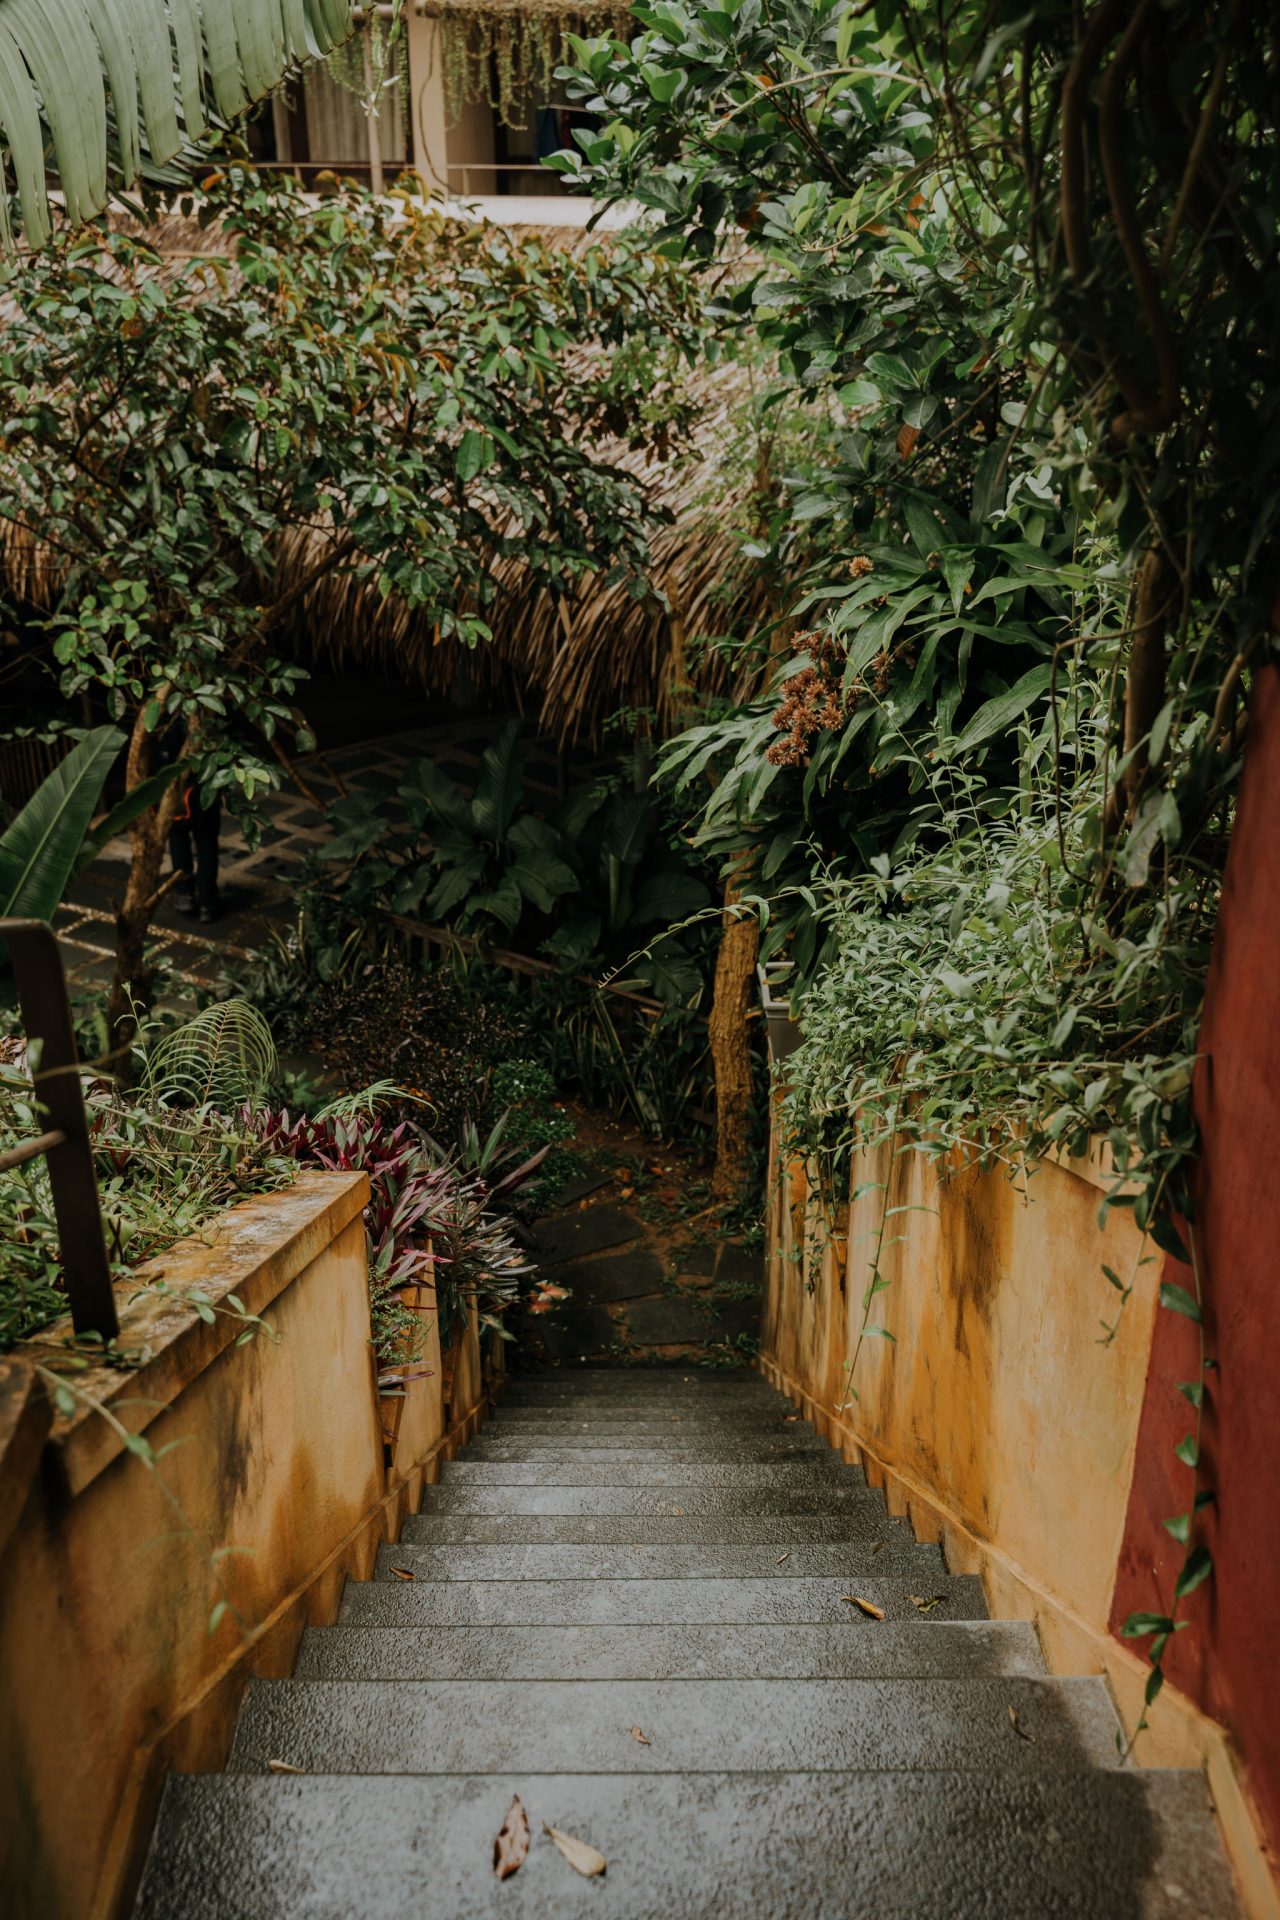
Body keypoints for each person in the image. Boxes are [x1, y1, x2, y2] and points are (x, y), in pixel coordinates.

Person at [169, 765, 222, 923]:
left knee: (178, 840)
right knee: (207, 847)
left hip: (174, 793)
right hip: (198, 791)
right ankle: (207, 901)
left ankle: (185, 895)